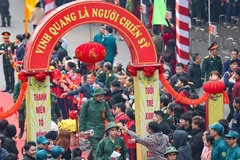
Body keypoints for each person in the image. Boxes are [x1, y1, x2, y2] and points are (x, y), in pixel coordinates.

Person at [79, 87, 114, 160]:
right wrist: (81, 129)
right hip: (90, 129)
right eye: (100, 96)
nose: (101, 98)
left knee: (99, 146)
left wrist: (114, 125)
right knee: (95, 147)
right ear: (95, 96)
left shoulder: (105, 104)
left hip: (101, 129)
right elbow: (82, 117)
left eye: (102, 96)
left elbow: (109, 116)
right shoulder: (87, 103)